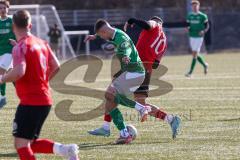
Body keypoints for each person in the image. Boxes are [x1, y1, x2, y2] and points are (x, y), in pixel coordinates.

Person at [0, 10, 79, 160]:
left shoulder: (19, 47)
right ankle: (66, 150)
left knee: (21, 145)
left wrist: (2, 79)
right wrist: (41, 82)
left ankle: (66, 150)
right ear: (30, 25)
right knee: (29, 142)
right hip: (45, 99)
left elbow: (19, 72)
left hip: (31, 101)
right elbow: (56, 66)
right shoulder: (42, 43)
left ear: (13, 27)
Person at [88, 16, 181, 139]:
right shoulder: (163, 38)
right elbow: (156, 64)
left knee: (116, 96)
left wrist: (133, 20)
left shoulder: (155, 26)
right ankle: (107, 127)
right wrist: (97, 35)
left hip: (136, 67)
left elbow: (147, 25)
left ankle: (115, 128)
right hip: (142, 68)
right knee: (113, 95)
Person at [85, 19, 152, 144]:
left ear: (104, 31)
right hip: (130, 72)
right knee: (111, 99)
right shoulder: (114, 33)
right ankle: (112, 130)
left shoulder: (121, 40)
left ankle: (141, 109)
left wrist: (126, 56)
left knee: (110, 95)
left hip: (134, 73)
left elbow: (126, 47)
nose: (102, 37)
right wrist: (95, 36)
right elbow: (109, 35)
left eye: (101, 35)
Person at [185, 0, 209, 77]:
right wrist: (188, 28)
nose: (195, 7)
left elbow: (207, 26)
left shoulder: (203, 16)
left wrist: (203, 31)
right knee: (195, 53)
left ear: (198, 6)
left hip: (199, 37)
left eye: (196, 6)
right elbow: (188, 25)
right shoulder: (189, 15)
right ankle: (205, 65)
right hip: (192, 36)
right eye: (193, 6)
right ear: (192, 7)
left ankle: (190, 72)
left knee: (194, 54)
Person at [0, 0, 15, 108]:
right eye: (0, 8)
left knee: (0, 73)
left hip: (9, 52)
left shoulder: (12, 21)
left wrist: (18, 43)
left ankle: (2, 98)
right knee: (7, 76)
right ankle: (3, 96)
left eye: (4, 8)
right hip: (0, 52)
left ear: (8, 8)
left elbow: (21, 33)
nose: (2, 10)